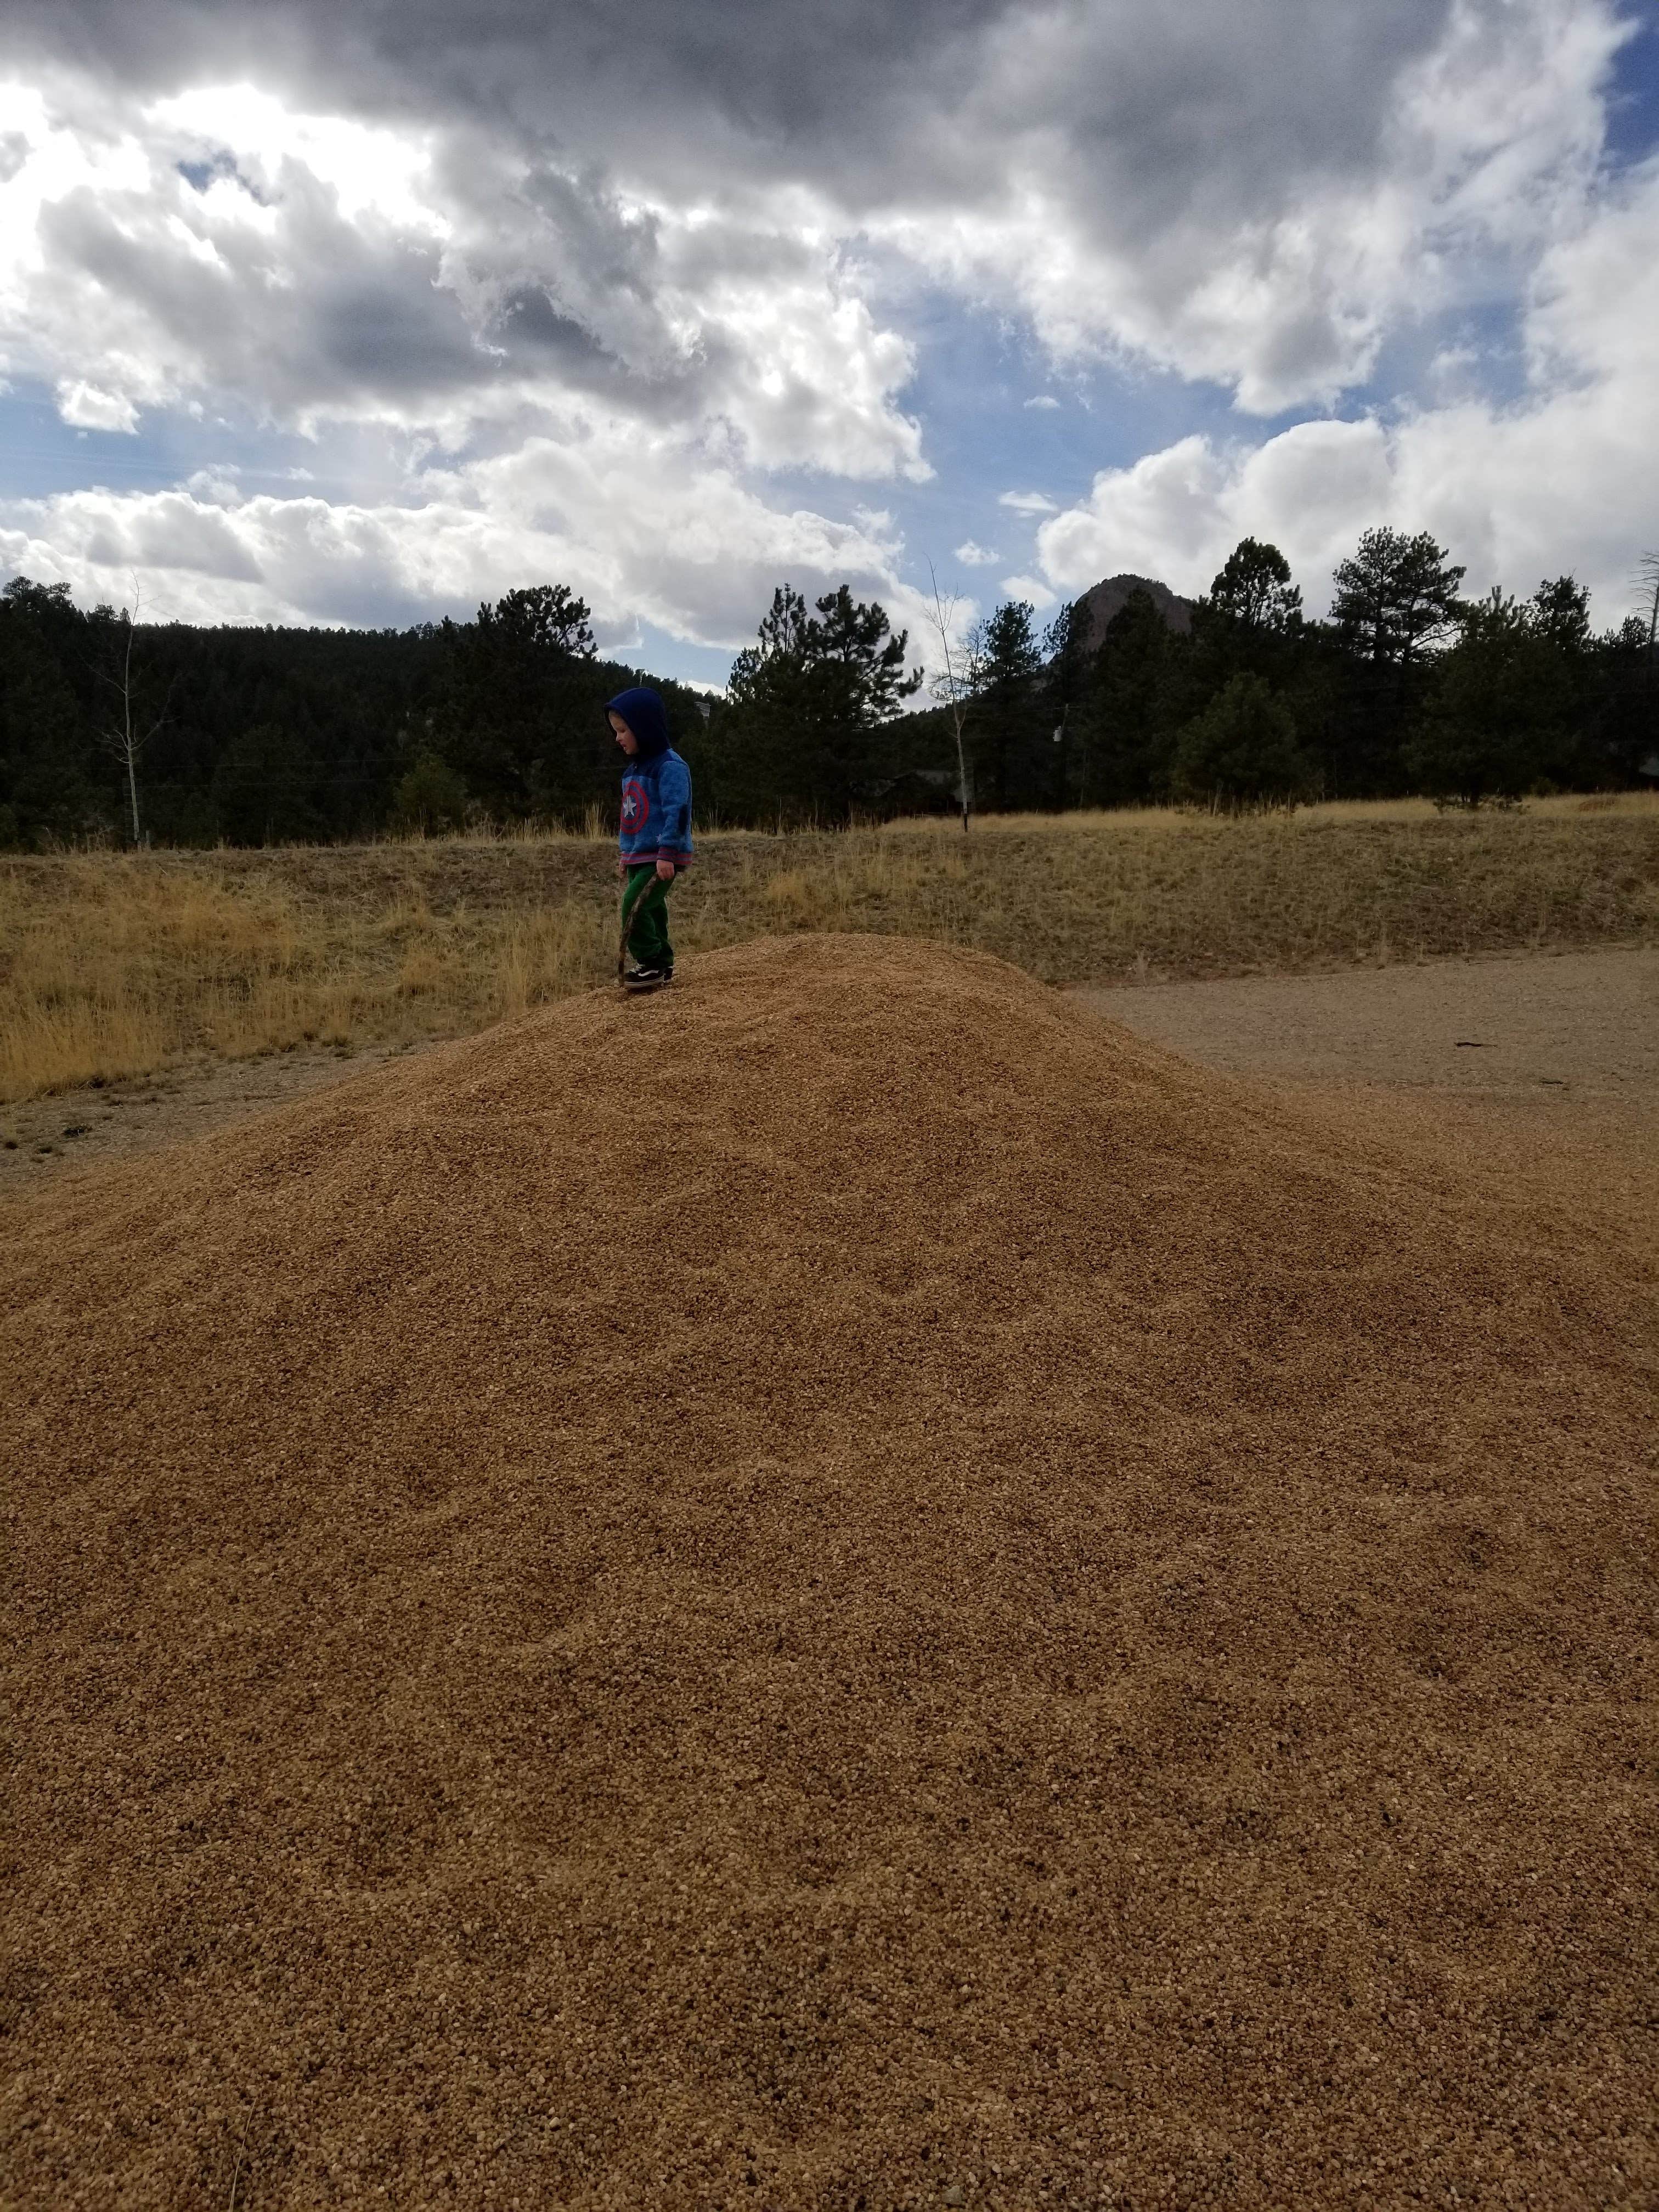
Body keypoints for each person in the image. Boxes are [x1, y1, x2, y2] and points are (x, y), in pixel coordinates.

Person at [607, 685, 693, 992]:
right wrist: (625, 853)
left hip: (661, 853)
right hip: (638, 853)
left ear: (643, 728)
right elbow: (629, 819)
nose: (617, 737)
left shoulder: (670, 766)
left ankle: (650, 962)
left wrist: (668, 852)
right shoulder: (632, 772)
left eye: (622, 730)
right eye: (615, 731)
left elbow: (678, 811)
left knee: (635, 904)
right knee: (654, 908)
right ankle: (664, 962)